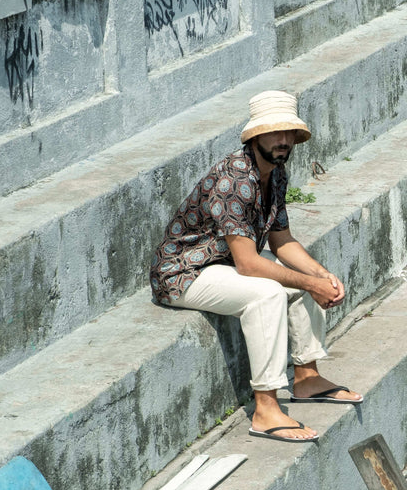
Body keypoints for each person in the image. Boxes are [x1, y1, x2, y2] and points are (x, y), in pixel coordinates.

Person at [149, 90, 361, 442]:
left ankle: (307, 378)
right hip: (184, 273)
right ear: (255, 136)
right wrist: (311, 284)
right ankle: (265, 409)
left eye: (288, 132)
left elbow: (282, 240)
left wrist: (320, 275)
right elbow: (249, 265)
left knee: (303, 277)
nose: (283, 140)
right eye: (274, 132)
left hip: (223, 262)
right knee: (268, 294)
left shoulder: (275, 173)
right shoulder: (234, 180)